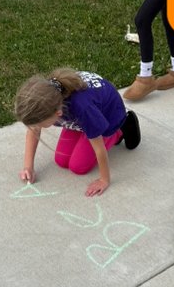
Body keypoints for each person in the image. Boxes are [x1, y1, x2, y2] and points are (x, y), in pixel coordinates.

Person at [15, 69, 142, 198]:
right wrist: (28, 167)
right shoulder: (50, 98)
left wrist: (104, 180)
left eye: (40, 124)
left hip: (107, 115)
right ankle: (85, 129)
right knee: (61, 161)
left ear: (58, 114)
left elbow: (99, 149)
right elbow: (33, 130)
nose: (37, 127)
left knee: (78, 167)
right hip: (82, 117)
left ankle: (121, 128)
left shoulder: (82, 107)